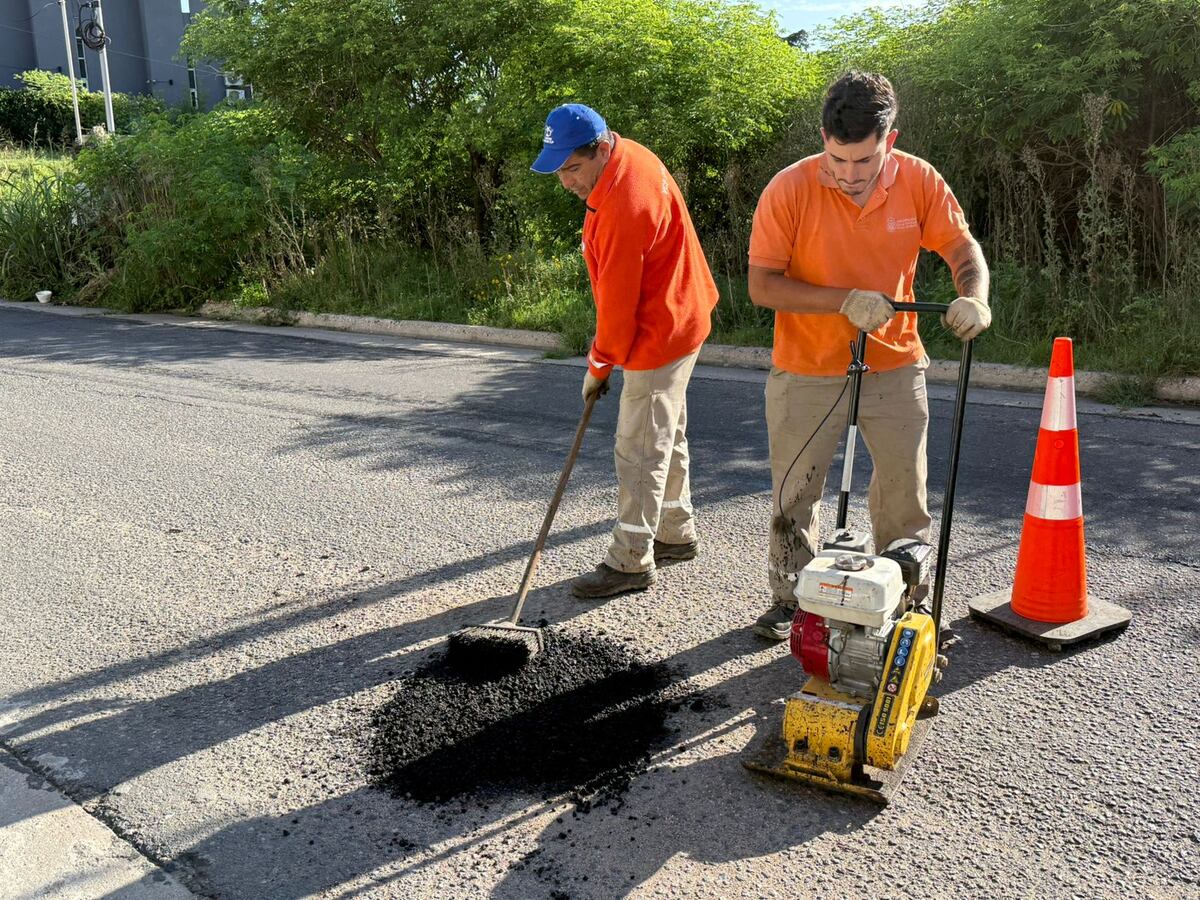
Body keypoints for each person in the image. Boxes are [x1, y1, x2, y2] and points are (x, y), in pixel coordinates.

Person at [746, 71, 991, 640]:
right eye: (838, 161)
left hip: (896, 360)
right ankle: (792, 600)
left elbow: (960, 247)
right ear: (823, 140)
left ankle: (905, 605)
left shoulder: (920, 181)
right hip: (805, 366)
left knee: (904, 496)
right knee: (794, 494)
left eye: (864, 161)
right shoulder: (789, 188)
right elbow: (762, 285)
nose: (850, 175)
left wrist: (974, 297)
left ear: (891, 140)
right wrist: (843, 302)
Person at [530, 103, 719, 598]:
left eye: (572, 168)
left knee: (638, 445)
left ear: (600, 149)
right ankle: (675, 532)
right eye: (557, 169)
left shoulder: (621, 207)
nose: (565, 182)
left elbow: (617, 310)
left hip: (660, 330)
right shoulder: (627, 155)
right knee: (665, 429)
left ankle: (631, 559)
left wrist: (598, 366)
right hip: (684, 311)